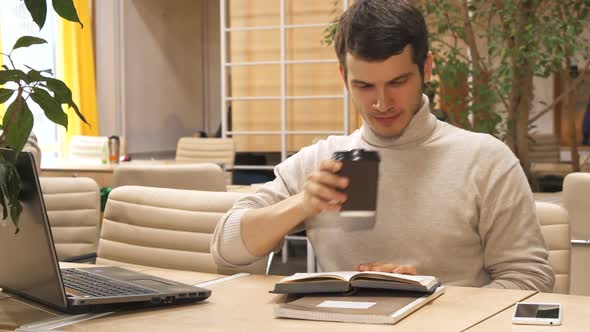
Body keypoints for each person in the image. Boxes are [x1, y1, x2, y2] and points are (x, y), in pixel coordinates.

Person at [211, 0, 554, 291]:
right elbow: (226, 250)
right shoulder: (322, 160)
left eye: (398, 82)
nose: (381, 103)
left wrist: (429, 294)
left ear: (427, 69)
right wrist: (303, 203)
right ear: (344, 78)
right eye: (364, 86)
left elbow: (530, 279)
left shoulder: (485, 159)